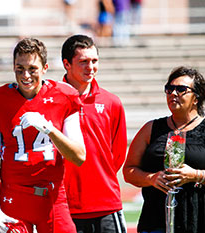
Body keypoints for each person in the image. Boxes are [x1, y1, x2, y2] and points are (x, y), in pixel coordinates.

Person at [0, 37, 86, 233]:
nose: (26, 75)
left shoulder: (64, 96)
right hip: (14, 196)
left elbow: (79, 157)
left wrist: (49, 129)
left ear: (45, 68)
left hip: (52, 196)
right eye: (20, 69)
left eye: (32, 69)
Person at [123, 66, 205, 233]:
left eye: (181, 89)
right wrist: (151, 178)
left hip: (198, 220)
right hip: (155, 222)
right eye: (169, 89)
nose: (173, 94)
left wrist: (196, 175)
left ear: (196, 98)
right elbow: (128, 170)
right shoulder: (151, 128)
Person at [61, 34, 127, 233]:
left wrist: (99, 178)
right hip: (64, 205)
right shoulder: (51, 100)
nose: (90, 67)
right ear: (67, 64)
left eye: (94, 61)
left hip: (106, 203)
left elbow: (117, 154)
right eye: (83, 62)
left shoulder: (111, 102)